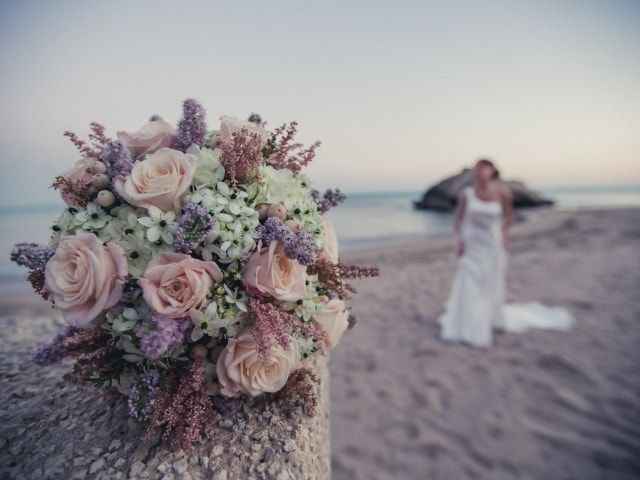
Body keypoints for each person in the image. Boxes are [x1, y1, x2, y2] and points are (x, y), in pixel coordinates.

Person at [439, 158, 573, 347]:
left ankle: (487, 318)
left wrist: (503, 234)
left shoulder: (503, 192)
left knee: (489, 283)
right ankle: (467, 323)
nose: (480, 172)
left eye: (485, 168)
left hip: (492, 245)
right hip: (472, 244)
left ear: (492, 171)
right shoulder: (466, 194)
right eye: (477, 169)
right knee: (469, 280)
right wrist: (459, 241)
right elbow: (459, 219)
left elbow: (509, 216)